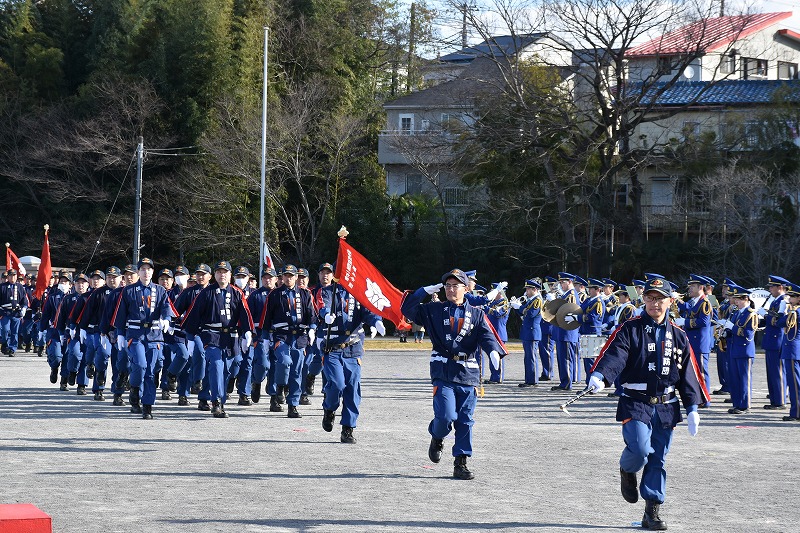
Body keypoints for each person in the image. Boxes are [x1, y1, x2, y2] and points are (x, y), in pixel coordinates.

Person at [586, 276, 709, 531]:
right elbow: (615, 354)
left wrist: (693, 408)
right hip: (636, 401)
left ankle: (651, 510)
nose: (655, 303)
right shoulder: (629, 328)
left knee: (659, 459)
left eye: (660, 298)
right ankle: (627, 469)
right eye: (650, 298)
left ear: (670, 301)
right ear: (644, 300)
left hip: (666, 404)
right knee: (641, 450)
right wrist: (601, 375)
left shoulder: (678, 335)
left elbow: (689, 372)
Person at [402, 268, 508, 480]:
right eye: (447, 286)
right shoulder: (434, 310)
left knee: (465, 420)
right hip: (443, 371)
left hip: (468, 372)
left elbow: (486, 335)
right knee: (446, 416)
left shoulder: (477, 314)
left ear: (466, 288)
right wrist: (422, 291)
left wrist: (493, 351)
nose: (451, 290)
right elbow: (408, 309)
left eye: (455, 285)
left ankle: (461, 462)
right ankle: (437, 435)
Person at [183, 261, 254, 418]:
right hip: (211, 335)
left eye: (225, 272)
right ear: (214, 275)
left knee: (227, 370)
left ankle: (220, 399)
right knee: (215, 365)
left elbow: (245, 313)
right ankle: (216, 403)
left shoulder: (237, 293)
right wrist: (190, 337)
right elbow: (194, 315)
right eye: (219, 272)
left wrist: (247, 332)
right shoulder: (206, 293)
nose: (222, 274)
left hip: (231, 337)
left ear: (230, 275)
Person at [318, 282, 385, 443]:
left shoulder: (359, 292)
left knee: (353, 389)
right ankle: (329, 408)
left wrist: (376, 321)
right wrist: (326, 314)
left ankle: (348, 428)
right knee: (336, 384)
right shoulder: (327, 291)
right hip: (332, 348)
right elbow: (322, 305)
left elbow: (368, 310)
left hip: (353, 348)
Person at [111, 258, 173, 419]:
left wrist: (166, 318)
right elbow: (121, 314)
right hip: (136, 334)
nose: (146, 272)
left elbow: (166, 307)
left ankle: (147, 406)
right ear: (138, 272)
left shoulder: (160, 290)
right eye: (143, 269)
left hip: (154, 335)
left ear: (153, 272)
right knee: (140, 365)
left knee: (151, 371)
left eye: (149, 269)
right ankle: (134, 387)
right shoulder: (128, 291)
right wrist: (120, 335)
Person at [259, 264, 317, 417]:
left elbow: (312, 315)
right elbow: (266, 317)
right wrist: (265, 338)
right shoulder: (274, 294)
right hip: (282, 336)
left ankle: (293, 404)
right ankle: (280, 387)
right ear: (281, 277)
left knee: (297, 372)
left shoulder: (305, 294)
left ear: (296, 277)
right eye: (286, 275)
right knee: (284, 362)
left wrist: (312, 328)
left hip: (299, 337)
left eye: (291, 275)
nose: (288, 278)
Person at [723, 284, 757, 415]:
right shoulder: (736, 313)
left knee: (744, 378)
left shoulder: (751, 314)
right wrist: (726, 331)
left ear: (746, 299)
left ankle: (745, 405)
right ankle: (737, 404)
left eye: (739, 299)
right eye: (735, 299)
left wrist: (733, 328)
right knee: (734, 378)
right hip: (734, 349)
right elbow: (732, 330)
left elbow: (748, 334)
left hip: (744, 350)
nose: (736, 301)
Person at [759, 275, 789, 410]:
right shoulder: (775, 301)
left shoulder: (784, 301)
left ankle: (780, 401)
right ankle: (774, 399)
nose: (770, 289)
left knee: (778, 372)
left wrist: (765, 315)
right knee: (772, 373)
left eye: (772, 286)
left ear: (780, 287)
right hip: (771, 340)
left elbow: (779, 321)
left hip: (778, 340)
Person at [511, 279, 543, 387]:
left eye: (528, 289)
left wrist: (519, 306)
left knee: (531, 357)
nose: (526, 291)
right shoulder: (531, 300)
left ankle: (533, 381)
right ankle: (529, 380)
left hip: (532, 331)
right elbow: (522, 312)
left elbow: (531, 314)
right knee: (528, 357)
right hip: (528, 331)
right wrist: (516, 307)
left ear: (535, 289)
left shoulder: (537, 300)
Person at [777, 282, 800, 421]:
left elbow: (781, 323)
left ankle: (796, 413)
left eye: (792, 297)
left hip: (792, 350)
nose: (789, 299)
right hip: (795, 350)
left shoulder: (795, 312)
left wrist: (782, 310)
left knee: (795, 384)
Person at [0, 268, 31, 356]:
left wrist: (24, 309)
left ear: (16, 276)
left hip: (16, 313)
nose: (12, 278)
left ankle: (12, 349)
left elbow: (24, 300)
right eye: (10, 276)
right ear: (8, 277)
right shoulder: (2, 287)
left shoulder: (20, 287)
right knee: (5, 330)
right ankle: (5, 343)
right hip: (5, 312)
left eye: (14, 276)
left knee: (15, 332)